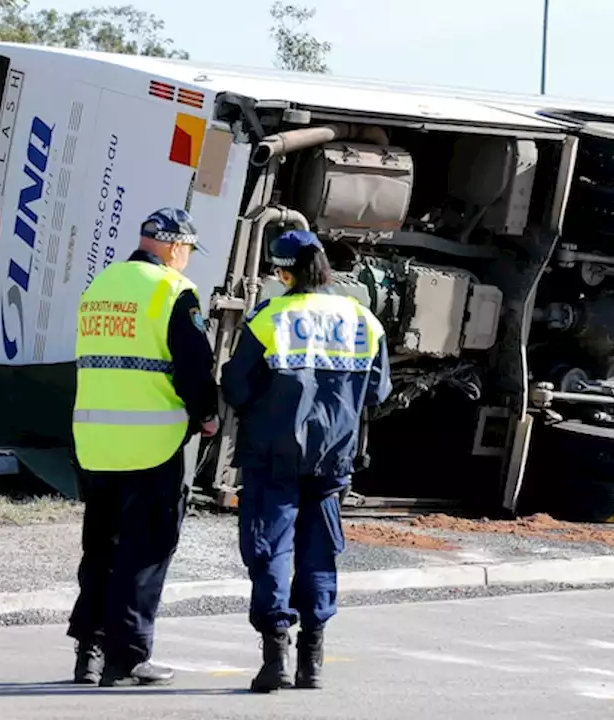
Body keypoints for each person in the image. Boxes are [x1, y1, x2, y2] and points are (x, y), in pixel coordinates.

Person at [221, 229, 392, 693]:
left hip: (272, 456)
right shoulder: (363, 319)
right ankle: (312, 662)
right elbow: (377, 392)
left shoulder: (270, 318)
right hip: (333, 460)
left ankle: (276, 655)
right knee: (319, 553)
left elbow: (236, 387)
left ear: (284, 272)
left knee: (271, 549)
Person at [68, 207, 220, 688]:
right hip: (150, 445)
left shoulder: (102, 285)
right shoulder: (172, 292)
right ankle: (128, 656)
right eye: (189, 251)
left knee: (100, 549)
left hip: (95, 442)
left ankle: (88, 653)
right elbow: (194, 365)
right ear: (176, 247)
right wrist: (207, 414)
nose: (188, 260)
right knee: (146, 550)